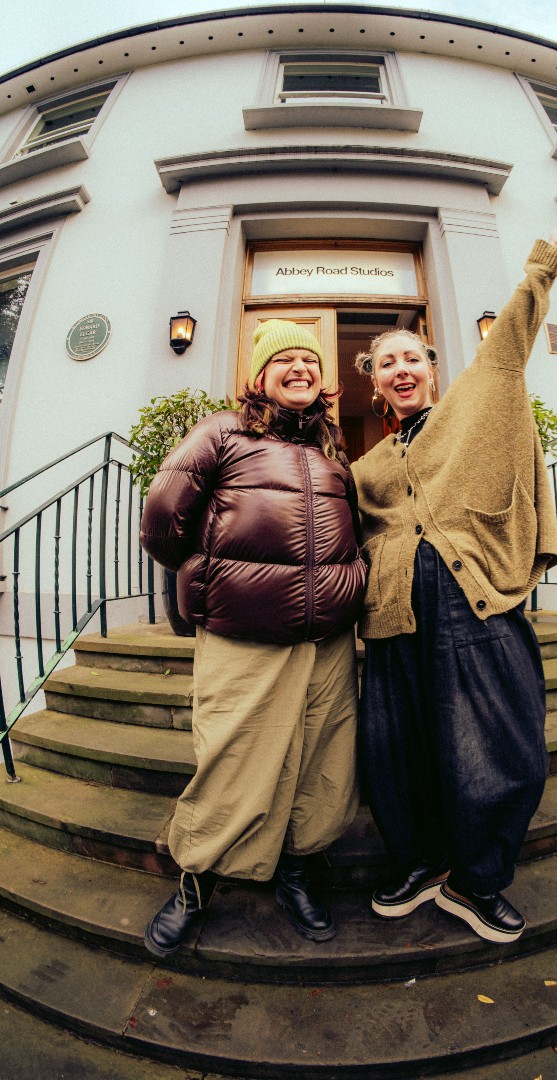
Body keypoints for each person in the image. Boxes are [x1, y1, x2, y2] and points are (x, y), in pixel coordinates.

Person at [351, 219, 557, 942]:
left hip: (473, 604)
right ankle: (421, 862)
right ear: (374, 383)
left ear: (432, 369)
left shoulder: (476, 398)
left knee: (502, 746)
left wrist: (545, 261)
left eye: (411, 357)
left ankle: (476, 879)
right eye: (386, 363)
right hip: (392, 617)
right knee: (398, 753)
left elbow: (514, 334)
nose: (400, 369)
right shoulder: (363, 468)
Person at [139, 320, 366, 956]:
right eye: (283, 360)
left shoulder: (332, 449)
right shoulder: (223, 431)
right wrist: (210, 578)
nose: (300, 368)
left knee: (322, 761)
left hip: (328, 640)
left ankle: (297, 872)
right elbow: (161, 520)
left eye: (309, 360)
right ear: (259, 376)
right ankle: (196, 881)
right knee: (232, 758)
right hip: (246, 633)